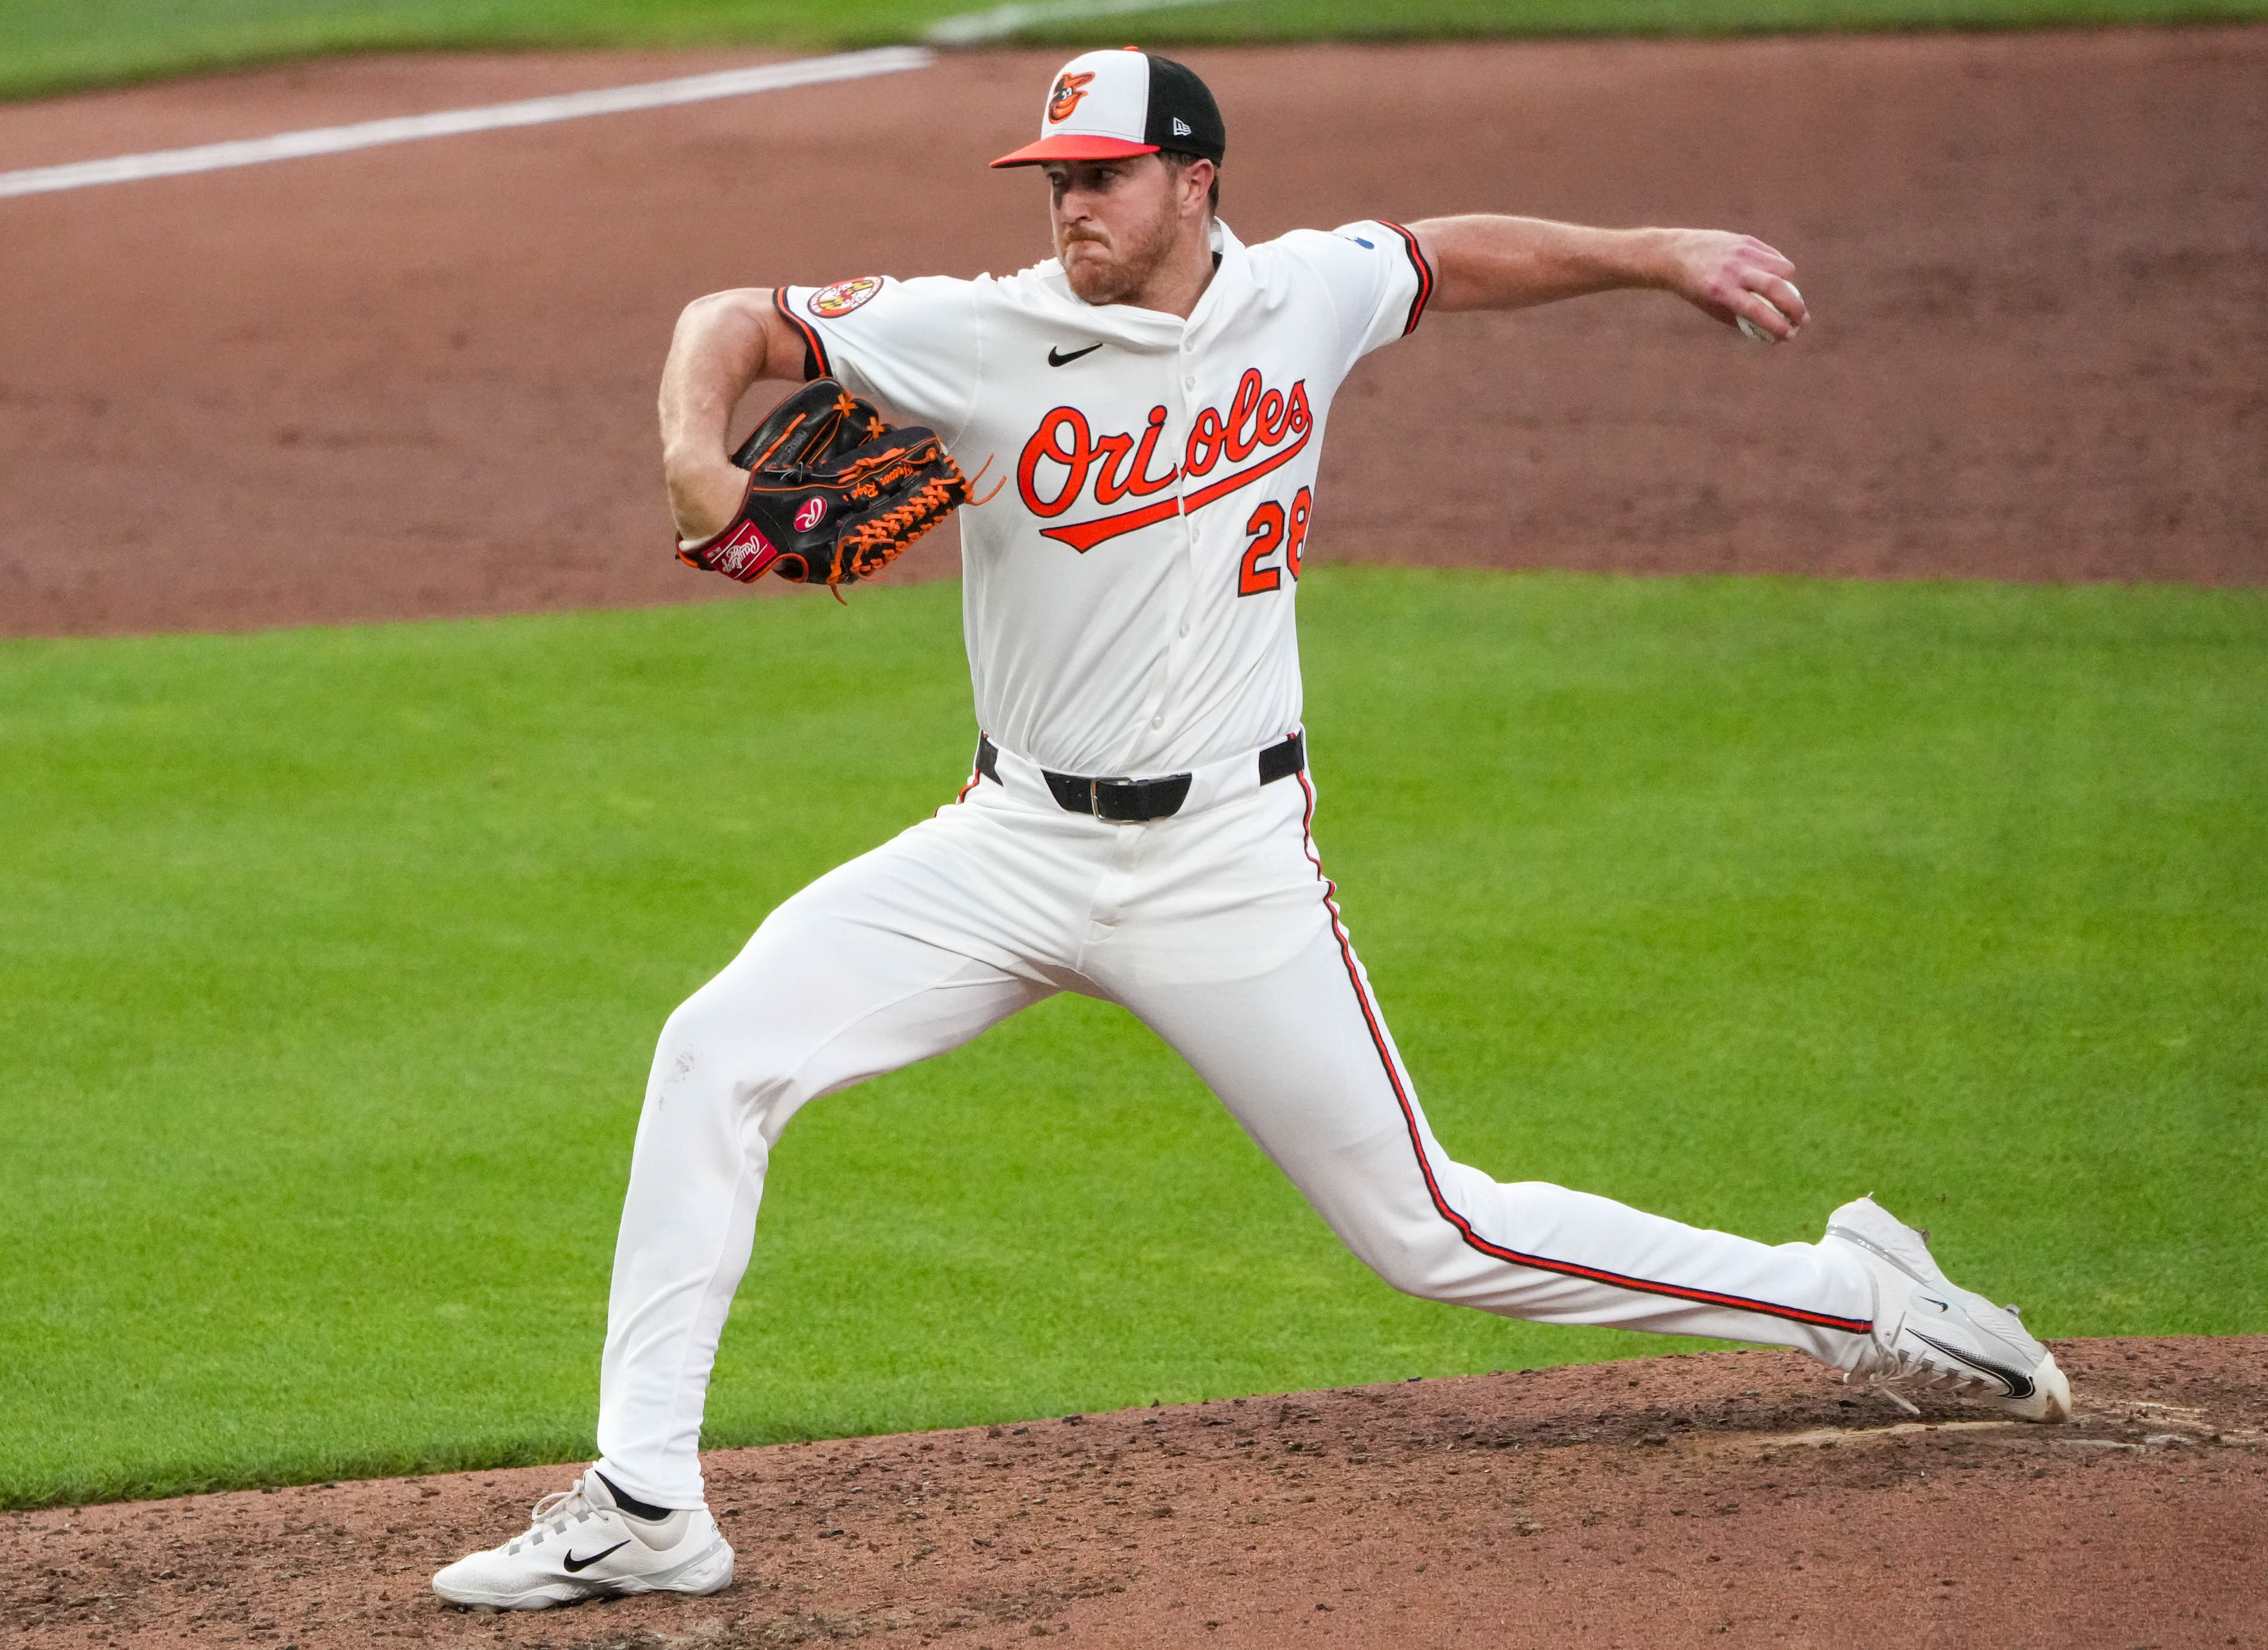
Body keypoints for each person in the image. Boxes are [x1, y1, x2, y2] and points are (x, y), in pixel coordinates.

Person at [432, 47, 2069, 1612]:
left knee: (1433, 1231)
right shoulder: (974, 331)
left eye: (1101, 177)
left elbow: (1445, 257)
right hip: (1006, 847)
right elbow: (735, 316)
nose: (1067, 206)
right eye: (1052, 178)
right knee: (718, 1049)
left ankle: (1859, 1295)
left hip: (1223, 865)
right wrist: (691, 456)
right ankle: (646, 1502)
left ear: (1192, 182)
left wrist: (1657, 254)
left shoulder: (1301, 292)